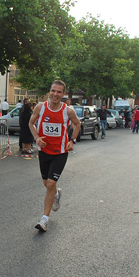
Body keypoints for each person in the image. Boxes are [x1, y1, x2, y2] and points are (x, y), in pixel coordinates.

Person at [29, 80, 81, 232]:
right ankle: (57, 193)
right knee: (47, 184)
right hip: (44, 151)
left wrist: (72, 140)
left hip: (60, 152)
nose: (55, 94)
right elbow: (31, 123)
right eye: (53, 91)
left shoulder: (68, 111)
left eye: (59, 92)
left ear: (63, 94)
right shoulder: (40, 107)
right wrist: (37, 138)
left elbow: (77, 124)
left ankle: (44, 220)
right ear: (49, 91)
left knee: (50, 184)